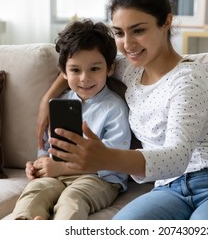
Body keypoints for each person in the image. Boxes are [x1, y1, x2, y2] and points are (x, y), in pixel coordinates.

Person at [37, 0, 208, 220]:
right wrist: (47, 100)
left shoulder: (189, 80)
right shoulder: (132, 69)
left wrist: (105, 157)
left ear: (166, 22)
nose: (127, 44)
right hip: (168, 189)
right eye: (119, 33)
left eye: (138, 30)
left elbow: (176, 157)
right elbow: (84, 64)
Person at [12, 19, 131, 220]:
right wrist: (37, 166)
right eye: (75, 70)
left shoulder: (115, 108)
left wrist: (60, 167)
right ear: (64, 73)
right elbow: (46, 150)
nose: (85, 78)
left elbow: (113, 161)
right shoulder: (57, 105)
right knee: (35, 192)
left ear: (109, 69)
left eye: (94, 69)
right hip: (57, 174)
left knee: (72, 199)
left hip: (100, 179)